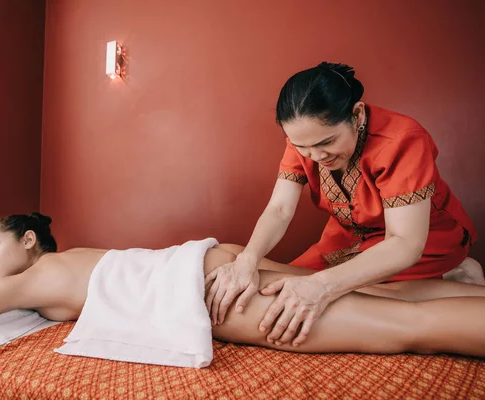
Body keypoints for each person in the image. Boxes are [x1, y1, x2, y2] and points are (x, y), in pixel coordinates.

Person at [0, 213, 485, 359]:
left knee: (408, 330)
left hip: (209, 294)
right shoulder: (75, 258)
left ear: (29, 240)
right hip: (217, 260)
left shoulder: (30, 279)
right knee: (391, 296)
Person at [204, 62, 483, 348]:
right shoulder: (305, 138)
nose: (315, 155)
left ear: (357, 114)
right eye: (301, 147)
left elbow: (405, 243)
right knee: (286, 283)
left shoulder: (403, 140)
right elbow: (279, 209)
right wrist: (247, 261)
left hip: (421, 239)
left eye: (327, 142)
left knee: (365, 295)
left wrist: (324, 286)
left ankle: (458, 274)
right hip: (349, 238)